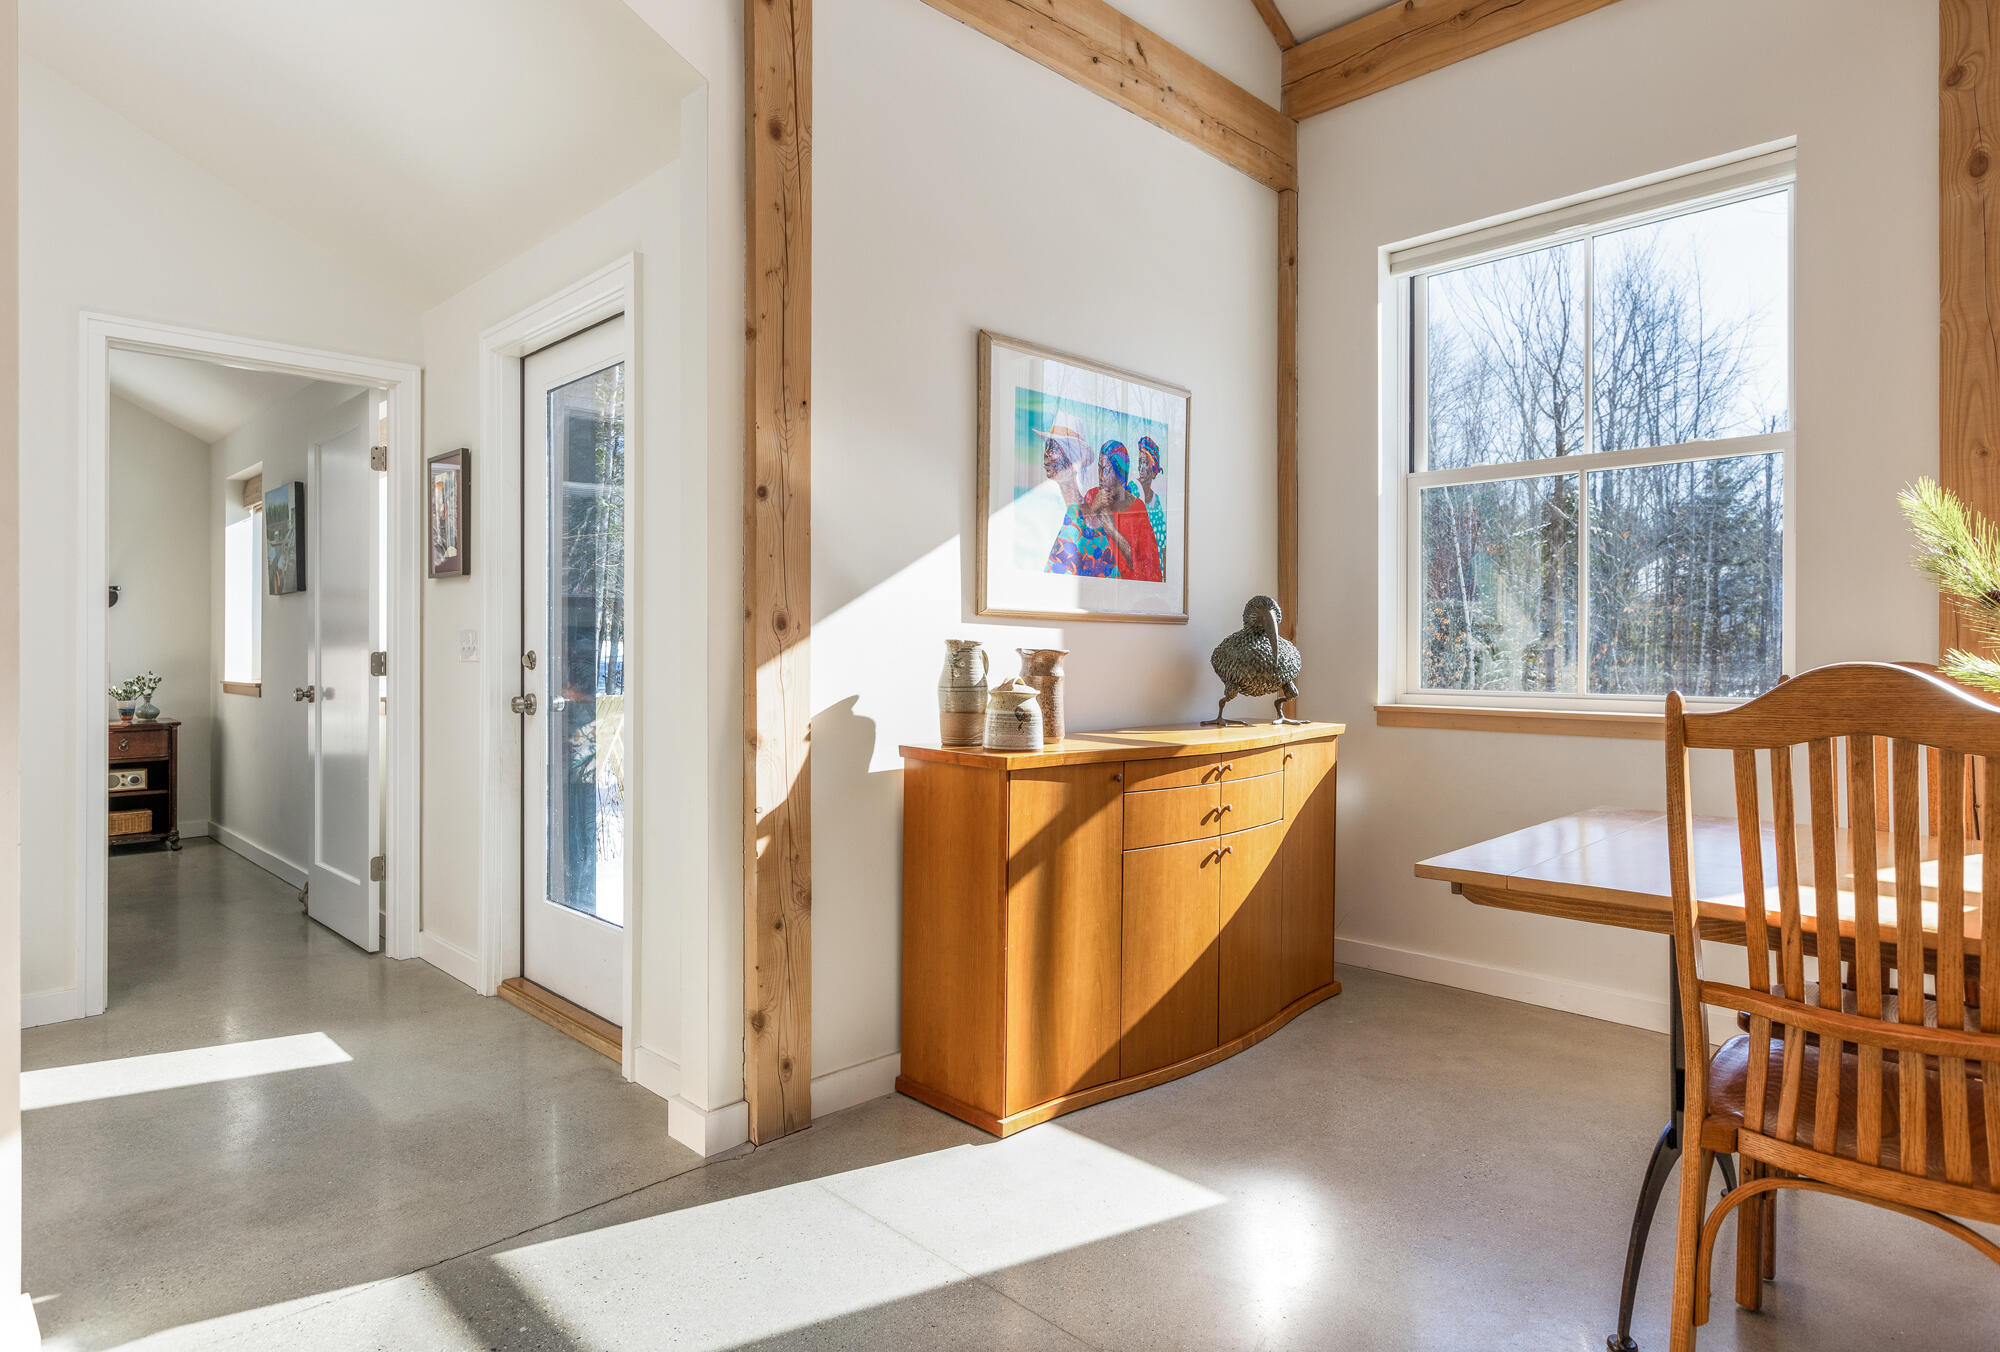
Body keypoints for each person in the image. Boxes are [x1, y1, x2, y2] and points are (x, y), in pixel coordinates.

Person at [1038, 425, 1117, 577]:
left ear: (1075, 461)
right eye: (1046, 447)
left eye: (1054, 449)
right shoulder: (1044, 504)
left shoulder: (1088, 517)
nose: (1046, 454)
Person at [1085, 441, 1162, 582]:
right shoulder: (1092, 496)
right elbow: (1077, 540)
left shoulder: (1137, 508)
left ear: (1120, 474)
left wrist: (1112, 531)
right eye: (1099, 468)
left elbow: (1149, 568)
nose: (1101, 476)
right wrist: (1092, 509)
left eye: (1107, 470)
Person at [1134, 436, 1167, 566]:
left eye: (1145, 463)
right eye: (1140, 462)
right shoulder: (1132, 490)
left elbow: (1163, 540)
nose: (1141, 467)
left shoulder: (1156, 500)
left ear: (1153, 467)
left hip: (1156, 566)